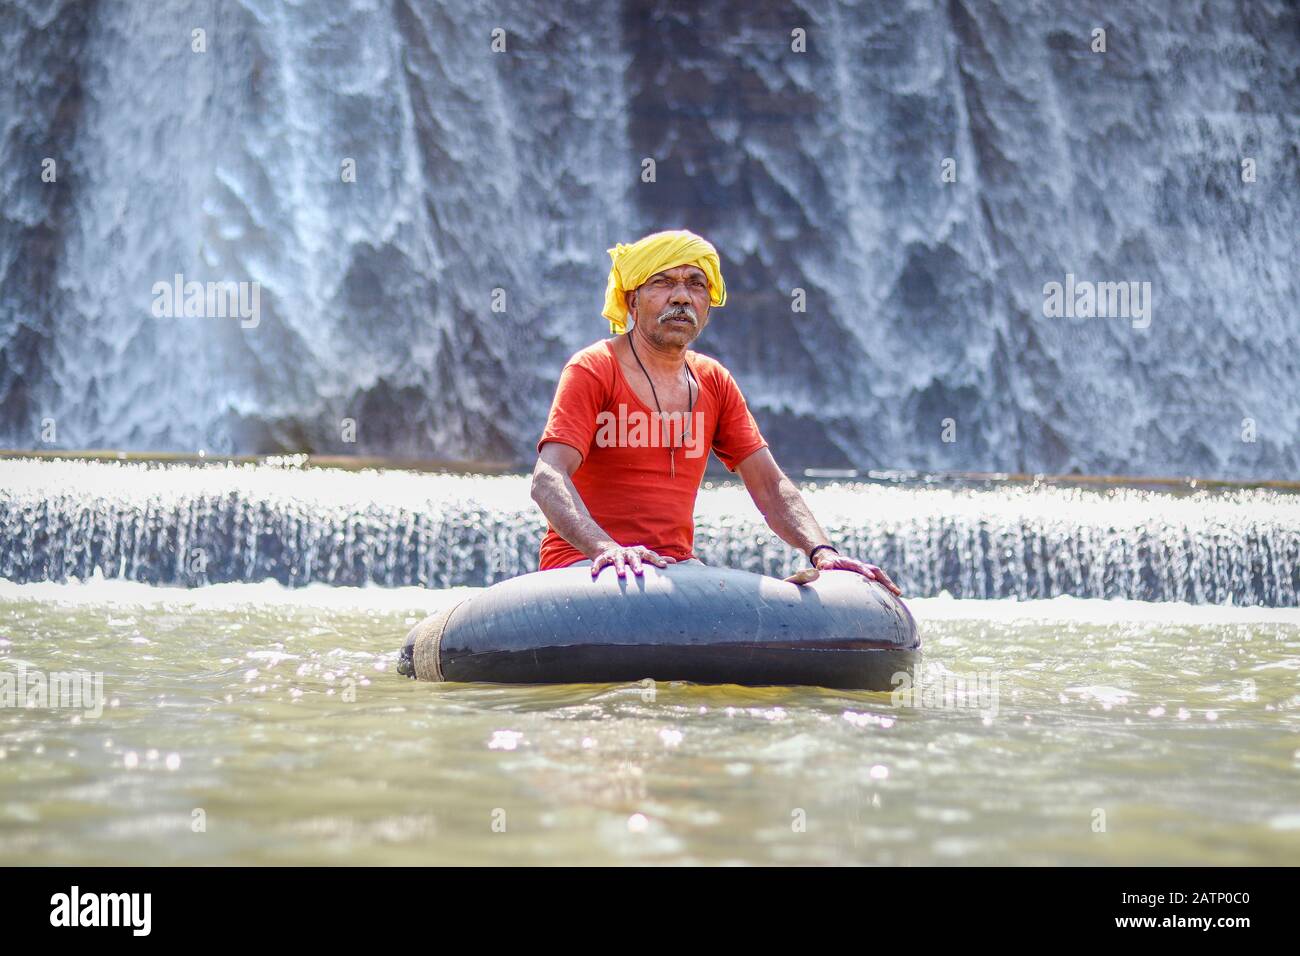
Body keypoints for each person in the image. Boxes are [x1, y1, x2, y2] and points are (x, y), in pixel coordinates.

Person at [530, 228, 900, 595]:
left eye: (695, 284)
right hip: (584, 568)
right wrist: (606, 549)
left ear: (709, 304)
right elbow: (548, 478)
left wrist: (822, 551)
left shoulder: (714, 380)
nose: (681, 297)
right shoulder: (593, 369)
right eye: (662, 282)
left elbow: (769, 484)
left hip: (676, 569)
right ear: (632, 300)